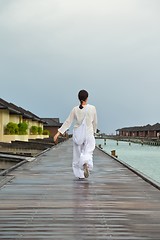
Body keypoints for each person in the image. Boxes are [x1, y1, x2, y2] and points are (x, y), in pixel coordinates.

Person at [54, 89, 97, 180]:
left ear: (79, 98)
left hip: (78, 134)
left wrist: (58, 133)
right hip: (89, 133)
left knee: (77, 154)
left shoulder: (75, 109)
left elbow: (68, 122)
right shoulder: (92, 108)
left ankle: (80, 175)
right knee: (88, 152)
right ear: (87, 98)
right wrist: (94, 132)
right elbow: (95, 122)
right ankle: (85, 162)